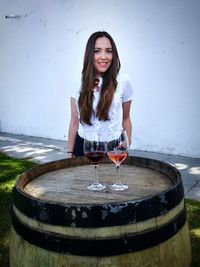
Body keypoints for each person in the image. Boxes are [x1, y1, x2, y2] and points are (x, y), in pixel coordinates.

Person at [67, 31, 133, 158]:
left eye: (108, 51)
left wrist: (127, 143)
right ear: (89, 54)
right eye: (97, 51)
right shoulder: (77, 82)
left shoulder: (124, 81)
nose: (104, 56)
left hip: (114, 148)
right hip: (83, 148)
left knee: (113, 179)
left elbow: (126, 118)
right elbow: (74, 121)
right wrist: (70, 153)